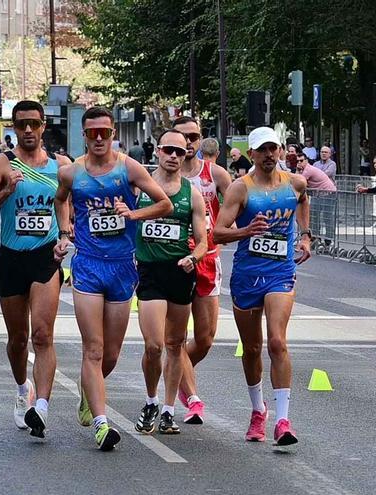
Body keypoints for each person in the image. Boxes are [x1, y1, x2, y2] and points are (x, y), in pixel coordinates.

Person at [53, 106, 172, 451]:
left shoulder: (128, 167)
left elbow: (163, 203)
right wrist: (64, 231)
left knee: (111, 354)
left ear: (113, 132)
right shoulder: (71, 172)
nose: (100, 138)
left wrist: (133, 213)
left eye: (105, 131)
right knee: (93, 347)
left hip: (122, 267)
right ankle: (103, 425)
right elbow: (60, 201)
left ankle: (88, 389)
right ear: (85, 134)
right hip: (88, 265)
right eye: (93, 132)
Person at [0, 100, 71, 439]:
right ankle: (21, 388)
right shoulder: (2, 164)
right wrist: (6, 191)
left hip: (46, 257)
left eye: (33, 123)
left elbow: (66, 209)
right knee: (18, 340)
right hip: (12, 257)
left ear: (43, 126)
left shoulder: (61, 166)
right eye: (21, 124)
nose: (27, 130)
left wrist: (65, 236)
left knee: (42, 335)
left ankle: (40, 407)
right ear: (13, 128)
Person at [213, 126, 312, 445]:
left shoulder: (295, 183)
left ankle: (283, 421)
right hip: (246, 273)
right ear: (251, 154)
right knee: (252, 347)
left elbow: (304, 200)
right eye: (262, 150)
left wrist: (306, 235)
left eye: (274, 148)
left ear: (281, 151)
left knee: (277, 342)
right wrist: (246, 231)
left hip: (280, 272)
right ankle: (258, 409)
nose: (269, 154)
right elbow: (217, 232)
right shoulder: (240, 189)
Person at [134, 129, 208, 435]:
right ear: (158, 152)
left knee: (175, 344)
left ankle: (168, 409)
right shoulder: (140, 186)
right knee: (153, 345)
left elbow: (204, 240)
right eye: (169, 150)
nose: (175, 156)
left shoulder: (192, 193)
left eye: (181, 152)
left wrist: (194, 257)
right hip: (150, 270)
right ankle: (151, 400)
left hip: (179, 271)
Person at [174, 116, 232, 425]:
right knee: (175, 338)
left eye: (195, 136)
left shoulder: (215, 174)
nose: (191, 142)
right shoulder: (162, 177)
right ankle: (191, 396)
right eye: (185, 137)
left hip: (208, 259)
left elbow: (240, 202)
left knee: (206, 339)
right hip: (173, 261)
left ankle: (176, 372)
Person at [296, 151, 336, 244]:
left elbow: (298, 183)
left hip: (328, 193)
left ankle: (328, 241)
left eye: (301, 161)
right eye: (297, 161)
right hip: (319, 195)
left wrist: (297, 171)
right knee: (314, 216)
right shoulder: (304, 169)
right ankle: (315, 238)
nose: (299, 163)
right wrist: (298, 170)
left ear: (306, 161)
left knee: (327, 217)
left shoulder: (308, 170)